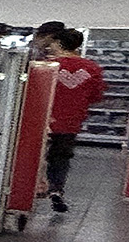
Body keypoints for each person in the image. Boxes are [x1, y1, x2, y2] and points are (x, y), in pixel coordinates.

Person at [44, 28, 107, 213]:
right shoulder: (92, 68)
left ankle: (34, 187)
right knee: (61, 157)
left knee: (37, 155)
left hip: (44, 118)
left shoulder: (48, 66)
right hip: (71, 121)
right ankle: (56, 189)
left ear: (58, 43)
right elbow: (96, 95)